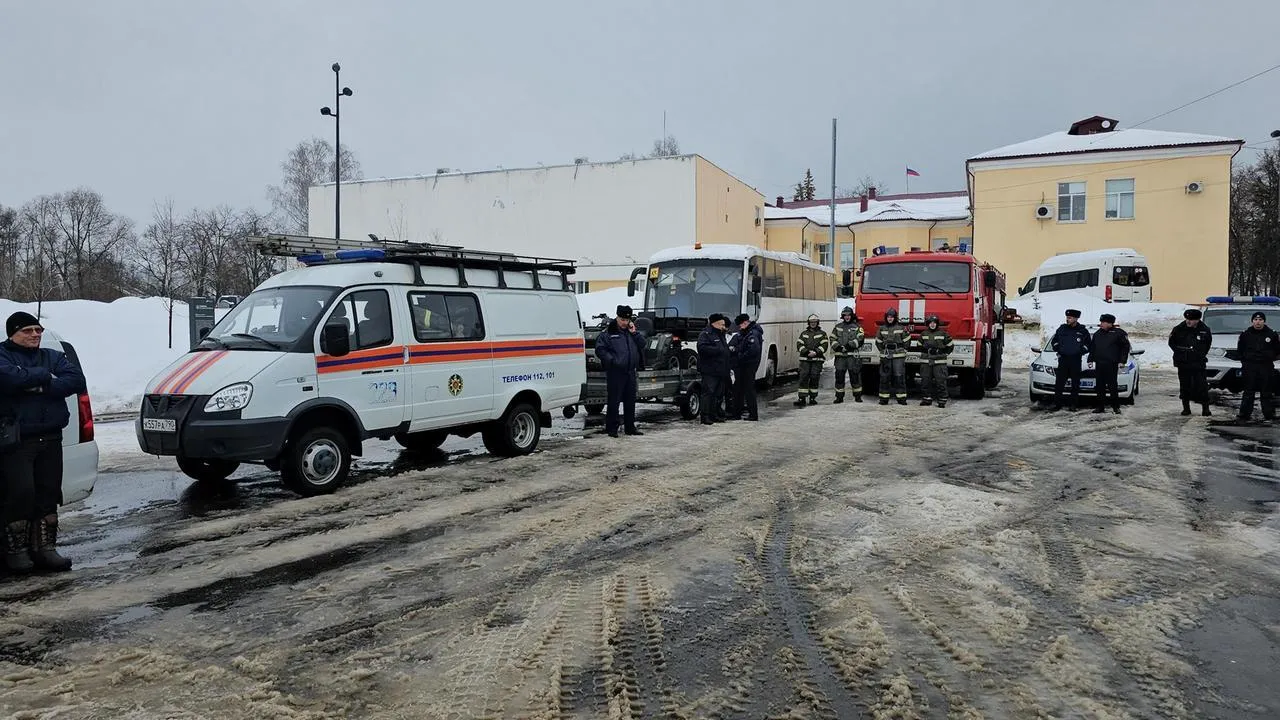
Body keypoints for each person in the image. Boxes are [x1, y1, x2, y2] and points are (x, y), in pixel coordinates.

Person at [0, 312, 86, 573]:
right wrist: (46, 376)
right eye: (28, 330)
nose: (35, 335)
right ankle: (16, 551)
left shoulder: (53, 355)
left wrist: (36, 385)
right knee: (20, 494)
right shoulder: (3, 355)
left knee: (47, 494)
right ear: (12, 333)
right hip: (18, 440)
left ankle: (45, 548)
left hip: (50, 436)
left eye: (38, 330)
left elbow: (76, 380)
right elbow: (9, 379)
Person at [594, 305, 645, 438]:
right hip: (616, 371)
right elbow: (600, 349)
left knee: (630, 401)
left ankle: (630, 427)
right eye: (622, 319)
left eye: (627, 320)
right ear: (617, 317)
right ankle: (612, 428)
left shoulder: (630, 332)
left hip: (630, 371)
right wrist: (612, 361)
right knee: (614, 401)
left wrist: (635, 333)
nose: (624, 323)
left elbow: (643, 344)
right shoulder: (608, 332)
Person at [1235, 311, 1278, 424]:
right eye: (1255, 320)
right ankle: (1244, 414)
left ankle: (1269, 414)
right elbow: (1240, 350)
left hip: (1266, 366)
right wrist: (1245, 360)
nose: (1258, 322)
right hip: (1250, 366)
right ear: (1252, 321)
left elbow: (1277, 350)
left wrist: (1269, 357)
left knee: (1267, 391)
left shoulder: (1272, 334)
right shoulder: (1245, 334)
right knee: (1248, 391)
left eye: (1260, 320)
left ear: (1264, 321)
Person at [1169, 308, 1213, 417]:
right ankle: (1186, 408)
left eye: (1192, 320)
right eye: (1187, 319)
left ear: (1197, 320)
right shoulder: (1179, 329)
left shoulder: (1204, 329)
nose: (1188, 321)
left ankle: (1205, 409)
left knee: (1202, 386)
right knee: (1184, 386)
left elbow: (1207, 345)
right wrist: (1180, 352)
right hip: (1183, 362)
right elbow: (1171, 343)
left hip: (1198, 362)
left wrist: (1199, 354)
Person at [1050, 309, 1091, 411]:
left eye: (1070, 318)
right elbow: (1054, 341)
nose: (1067, 319)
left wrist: (1080, 351)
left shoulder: (1082, 331)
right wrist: (1058, 348)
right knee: (1059, 383)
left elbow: (1088, 345)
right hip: (1063, 360)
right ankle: (1057, 404)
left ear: (1076, 318)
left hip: (1075, 360)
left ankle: (1073, 405)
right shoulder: (1062, 329)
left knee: (1075, 384)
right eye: (1067, 318)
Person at [1090, 313, 1131, 415]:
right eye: (1101, 322)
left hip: (1111, 364)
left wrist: (1122, 360)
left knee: (1112, 386)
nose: (1101, 324)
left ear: (1110, 323)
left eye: (1103, 322)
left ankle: (1115, 407)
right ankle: (1100, 406)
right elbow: (1093, 348)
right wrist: (1090, 359)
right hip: (1099, 364)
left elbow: (1125, 347)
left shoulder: (1118, 333)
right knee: (1100, 386)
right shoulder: (1097, 334)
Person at [697, 314, 731, 424]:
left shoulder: (721, 334)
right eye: (722, 324)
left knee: (718, 394)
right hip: (710, 370)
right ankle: (705, 416)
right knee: (708, 393)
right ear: (715, 324)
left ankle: (714, 414)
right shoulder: (706, 334)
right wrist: (718, 350)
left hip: (721, 370)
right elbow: (702, 348)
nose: (724, 326)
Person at [728, 313, 763, 420]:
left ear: (745, 323)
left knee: (748, 390)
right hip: (743, 365)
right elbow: (732, 345)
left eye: (740, 325)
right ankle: (737, 413)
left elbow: (753, 350)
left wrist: (739, 354)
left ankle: (753, 415)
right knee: (739, 389)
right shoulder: (745, 333)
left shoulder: (753, 334)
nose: (739, 328)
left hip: (749, 365)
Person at [913, 315, 953, 407]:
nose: (932, 325)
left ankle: (942, 400)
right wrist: (925, 349)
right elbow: (919, 345)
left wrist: (942, 353)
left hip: (939, 362)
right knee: (925, 381)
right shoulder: (923, 334)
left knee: (941, 382)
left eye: (934, 323)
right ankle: (926, 399)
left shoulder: (943, 334)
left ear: (937, 324)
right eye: (930, 323)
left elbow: (950, 346)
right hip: (926, 361)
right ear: (928, 324)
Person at [830, 307, 865, 404]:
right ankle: (839, 397)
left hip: (852, 357)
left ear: (851, 316)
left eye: (848, 315)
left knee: (855, 377)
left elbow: (860, 339)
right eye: (845, 315)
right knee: (839, 377)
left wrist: (849, 346)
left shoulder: (857, 327)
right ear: (843, 316)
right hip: (840, 357)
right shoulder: (837, 327)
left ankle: (858, 396)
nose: (847, 317)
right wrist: (838, 347)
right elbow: (832, 339)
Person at [875, 308, 910, 405]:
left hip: (898, 356)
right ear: (886, 318)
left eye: (892, 317)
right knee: (884, 377)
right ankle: (883, 399)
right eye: (888, 317)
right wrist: (883, 351)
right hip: (886, 355)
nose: (890, 319)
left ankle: (901, 398)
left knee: (899, 377)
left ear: (895, 318)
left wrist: (904, 350)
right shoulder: (882, 328)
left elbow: (907, 340)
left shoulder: (901, 328)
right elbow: (878, 341)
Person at [795, 314, 828, 406]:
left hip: (817, 361)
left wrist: (815, 352)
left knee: (814, 378)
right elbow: (799, 344)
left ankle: (813, 398)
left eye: (814, 322)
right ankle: (802, 398)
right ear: (808, 323)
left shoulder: (822, 334)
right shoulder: (804, 334)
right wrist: (806, 352)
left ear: (817, 322)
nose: (813, 324)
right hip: (805, 360)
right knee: (803, 378)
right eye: (811, 322)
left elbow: (824, 345)